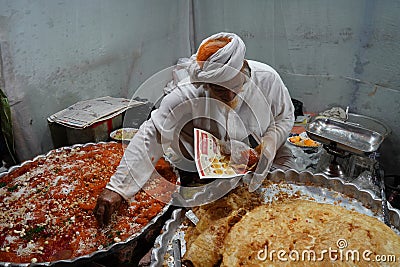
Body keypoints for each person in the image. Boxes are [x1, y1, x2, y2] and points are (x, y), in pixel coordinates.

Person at [94, 32, 295, 226]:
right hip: (212, 165)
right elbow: (152, 134)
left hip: (260, 152)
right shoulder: (187, 92)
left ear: (242, 68)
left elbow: (284, 117)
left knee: (281, 204)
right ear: (206, 84)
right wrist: (118, 188)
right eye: (218, 89)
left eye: (233, 85)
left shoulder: (267, 79)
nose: (227, 95)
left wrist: (270, 142)